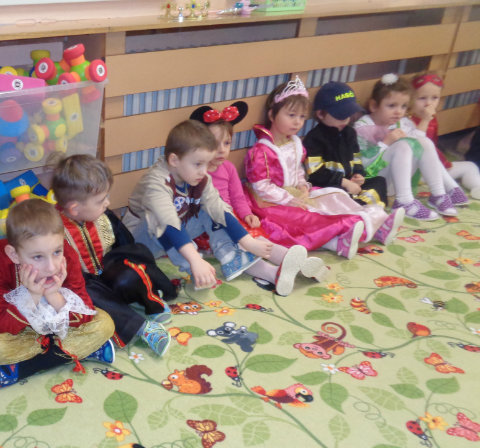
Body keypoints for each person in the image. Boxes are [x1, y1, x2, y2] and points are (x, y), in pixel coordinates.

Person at [124, 119, 310, 295]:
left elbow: (219, 208)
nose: (204, 171)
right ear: (174, 160)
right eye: (198, 164)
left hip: (176, 229)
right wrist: (195, 260)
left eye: (207, 164)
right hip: (141, 242)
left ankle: (246, 263)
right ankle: (197, 266)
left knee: (214, 209)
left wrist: (248, 242)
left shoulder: (195, 175)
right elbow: (169, 223)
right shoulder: (156, 183)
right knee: (166, 217)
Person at [0, 198, 116, 394]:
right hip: (21, 331)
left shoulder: (67, 254)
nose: (51, 267)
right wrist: (32, 295)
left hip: (61, 326)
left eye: (56, 252)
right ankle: (81, 351)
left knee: (105, 324)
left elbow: (85, 310)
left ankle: (19, 370)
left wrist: (53, 294)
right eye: (37, 257)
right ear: (14, 255)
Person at [245, 76, 398, 253]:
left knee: (337, 198)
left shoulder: (294, 142)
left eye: (302, 117)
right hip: (272, 201)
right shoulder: (262, 151)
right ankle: (342, 238)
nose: (297, 122)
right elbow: (261, 186)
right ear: (272, 115)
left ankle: (375, 224)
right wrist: (288, 198)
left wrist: (302, 185)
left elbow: (298, 170)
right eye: (291, 115)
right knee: (311, 219)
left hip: (297, 194)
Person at [189, 102, 331, 287]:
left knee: (258, 239)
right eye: (214, 144)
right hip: (210, 228)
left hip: (232, 219)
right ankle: (273, 274)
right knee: (241, 248)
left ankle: (296, 262)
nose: (222, 149)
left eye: (227, 143)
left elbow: (237, 197)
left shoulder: (229, 168)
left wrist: (246, 214)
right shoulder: (196, 172)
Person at [50, 154, 177, 357]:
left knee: (130, 267)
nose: (108, 203)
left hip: (112, 277)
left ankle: (152, 300)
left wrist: (130, 266)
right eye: (101, 200)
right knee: (83, 296)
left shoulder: (104, 217)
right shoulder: (53, 232)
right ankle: (142, 328)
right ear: (75, 208)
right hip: (87, 288)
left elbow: (127, 245)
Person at [354, 73, 469, 220]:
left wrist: (422, 124)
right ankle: (404, 201)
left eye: (403, 106)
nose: (398, 111)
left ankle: (438, 193)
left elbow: (420, 149)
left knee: (424, 142)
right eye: (391, 106)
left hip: (398, 183)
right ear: (374, 105)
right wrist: (385, 143)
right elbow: (361, 164)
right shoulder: (363, 126)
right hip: (374, 183)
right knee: (403, 145)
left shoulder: (403, 123)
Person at [408, 72, 479, 200]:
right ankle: (448, 190)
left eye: (434, 98)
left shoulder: (431, 118)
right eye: (422, 98)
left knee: (470, 166)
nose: (428, 103)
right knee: (468, 167)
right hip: (416, 172)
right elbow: (416, 145)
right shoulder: (407, 120)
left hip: (434, 167)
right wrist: (425, 120)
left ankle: (477, 187)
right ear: (409, 99)